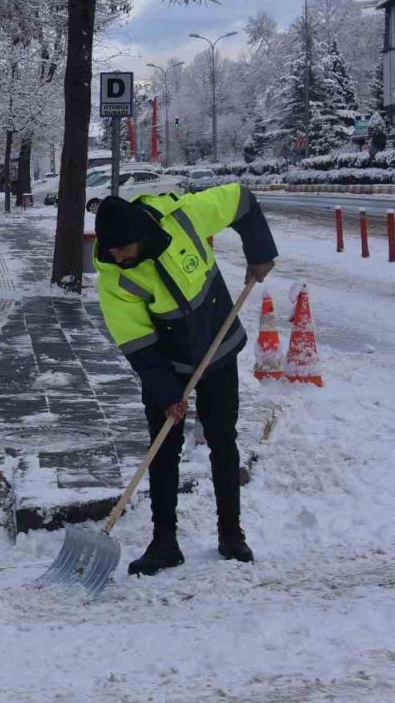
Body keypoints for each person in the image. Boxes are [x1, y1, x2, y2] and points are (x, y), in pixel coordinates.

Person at [93, 183, 278, 576]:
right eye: (110, 251)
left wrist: (260, 251)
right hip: (167, 361)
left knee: (222, 440)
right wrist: (167, 394)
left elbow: (243, 200)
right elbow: (138, 344)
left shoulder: (182, 215)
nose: (116, 257)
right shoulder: (114, 279)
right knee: (163, 450)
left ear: (139, 237)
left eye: (121, 249)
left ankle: (231, 533)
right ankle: (164, 543)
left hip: (218, 342)